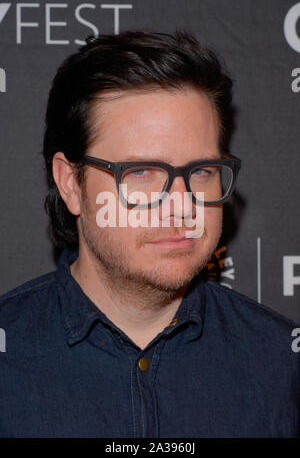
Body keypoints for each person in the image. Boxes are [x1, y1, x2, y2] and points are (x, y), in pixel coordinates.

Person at [0, 29, 299, 438]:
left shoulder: (281, 364)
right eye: (141, 172)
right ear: (71, 183)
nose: (182, 204)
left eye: (201, 171)